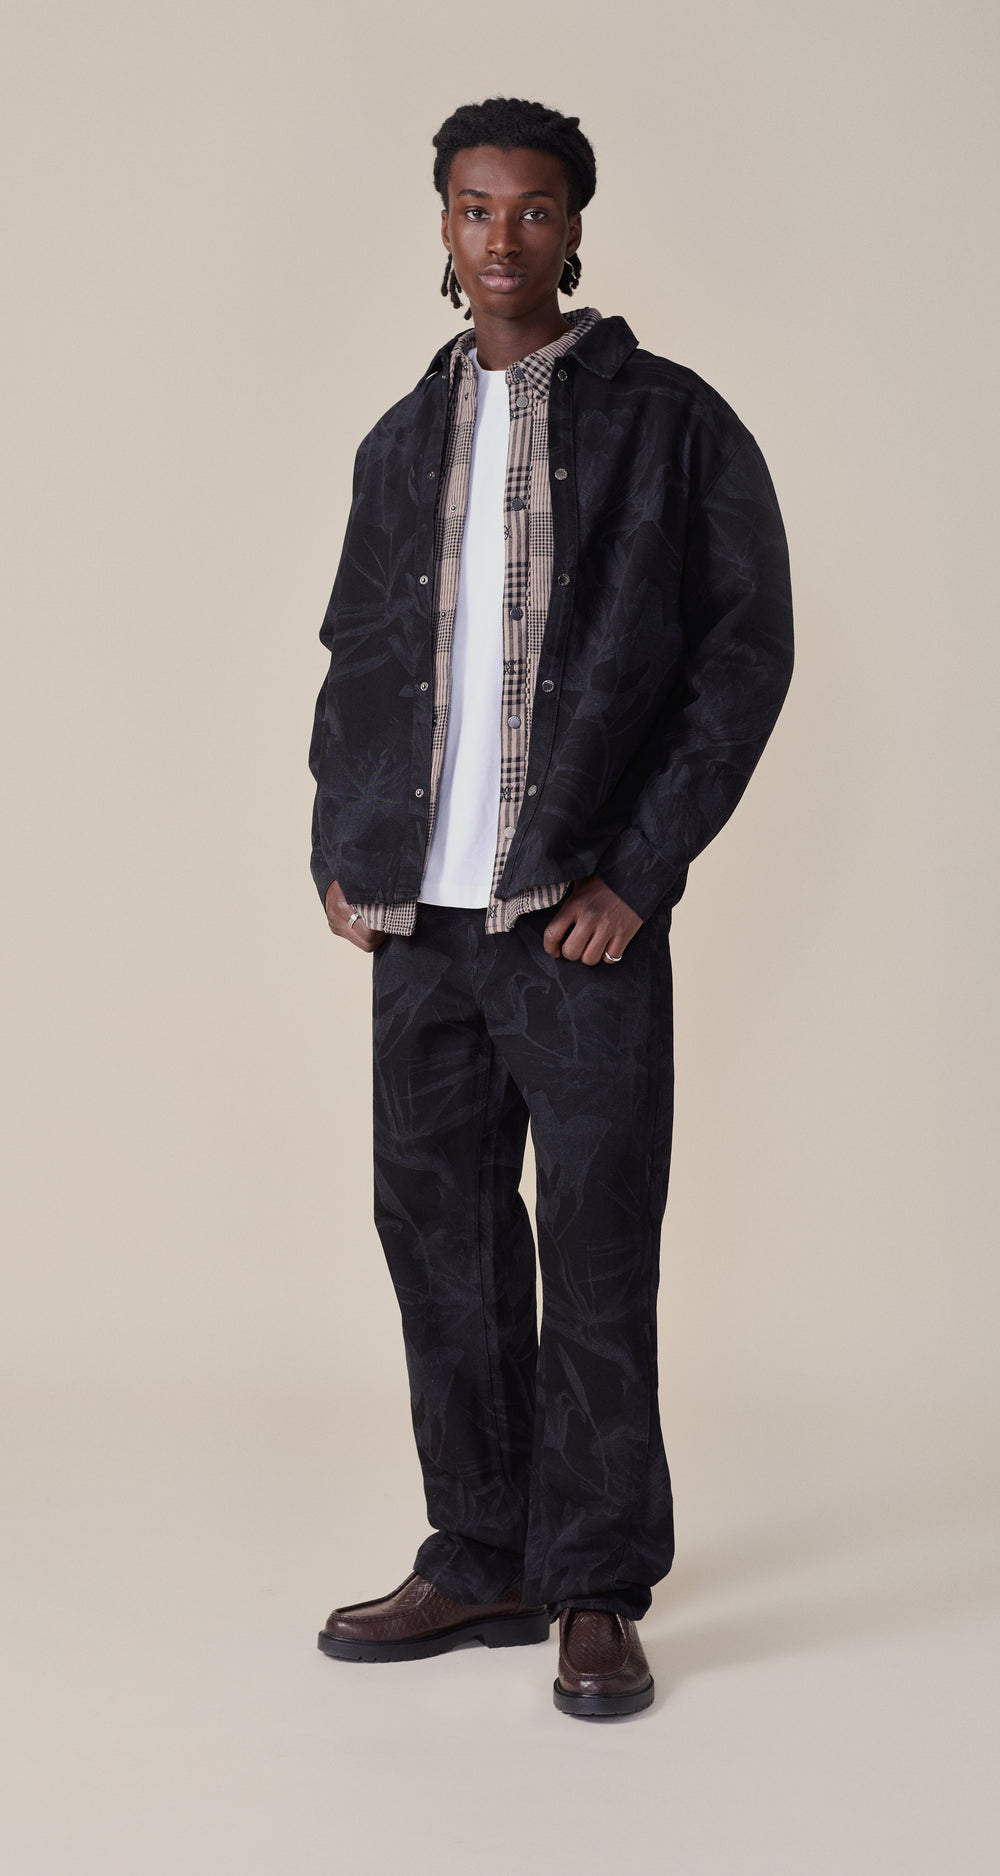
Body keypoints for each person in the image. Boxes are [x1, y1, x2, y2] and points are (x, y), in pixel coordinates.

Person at [308, 96, 794, 1719]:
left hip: (574, 918)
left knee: (594, 1254)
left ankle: (594, 1584)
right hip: (420, 924)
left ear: (575, 227)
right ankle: (481, 1554)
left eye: (530, 208)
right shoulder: (401, 438)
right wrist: (343, 841)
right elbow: (358, 652)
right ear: (443, 228)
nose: (501, 236)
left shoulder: (671, 422)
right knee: (439, 1244)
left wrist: (638, 871)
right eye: (473, 207)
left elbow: (744, 657)